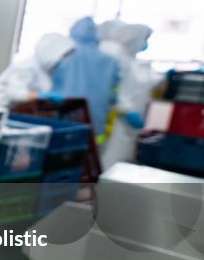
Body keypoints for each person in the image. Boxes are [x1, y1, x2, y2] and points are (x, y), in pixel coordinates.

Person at [50, 16, 120, 139]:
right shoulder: (110, 61)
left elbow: (52, 82)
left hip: (66, 112)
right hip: (96, 117)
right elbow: (113, 94)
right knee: (89, 150)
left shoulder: (65, 54)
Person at [100, 23, 159, 168]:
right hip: (117, 118)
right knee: (110, 157)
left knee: (120, 157)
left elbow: (138, 84)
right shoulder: (115, 54)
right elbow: (114, 89)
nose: (146, 44)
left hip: (127, 121)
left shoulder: (131, 60)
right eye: (145, 39)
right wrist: (127, 110)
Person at [0, 33, 75, 108]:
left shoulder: (45, 70)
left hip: (12, 112)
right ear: (53, 51)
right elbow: (15, 93)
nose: (64, 60)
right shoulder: (27, 66)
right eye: (64, 55)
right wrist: (42, 96)